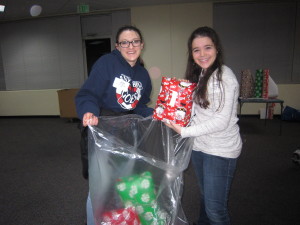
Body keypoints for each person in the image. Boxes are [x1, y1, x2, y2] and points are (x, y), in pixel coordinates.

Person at [75, 25, 153, 225]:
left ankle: (118, 220)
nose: (130, 46)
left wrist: (155, 114)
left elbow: (139, 105)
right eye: (125, 42)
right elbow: (88, 94)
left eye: (135, 41)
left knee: (126, 183)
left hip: (130, 134)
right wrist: (88, 111)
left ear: (141, 44)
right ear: (118, 46)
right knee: (100, 187)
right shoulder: (106, 63)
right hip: (105, 133)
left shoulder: (143, 75)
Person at [165, 26, 242, 225]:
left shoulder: (225, 76)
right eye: (196, 50)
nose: (202, 54)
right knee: (205, 197)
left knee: (216, 210)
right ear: (191, 54)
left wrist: (184, 131)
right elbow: (196, 111)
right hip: (199, 146)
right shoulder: (200, 75)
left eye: (207, 47)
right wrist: (182, 92)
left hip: (220, 150)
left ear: (217, 48)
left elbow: (220, 121)